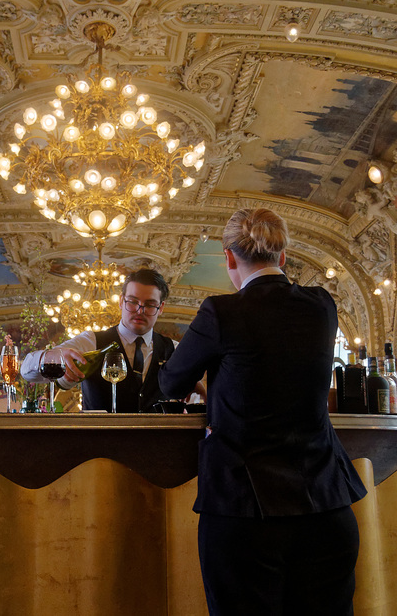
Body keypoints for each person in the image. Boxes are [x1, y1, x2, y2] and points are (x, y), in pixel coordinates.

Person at [158, 208, 367, 615]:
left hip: (245, 508)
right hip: (325, 501)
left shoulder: (220, 312)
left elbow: (170, 384)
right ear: (283, 256)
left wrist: (210, 382)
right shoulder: (323, 306)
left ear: (229, 258)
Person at [21, 268, 185, 413]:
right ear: (121, 301)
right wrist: (50, 357)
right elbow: (26, 370)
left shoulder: (174, 349)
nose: (139, 311)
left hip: (157, 444)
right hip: (98, 443)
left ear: (161, 307)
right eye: (133, 302)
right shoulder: (91, 341)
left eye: (149, 304)